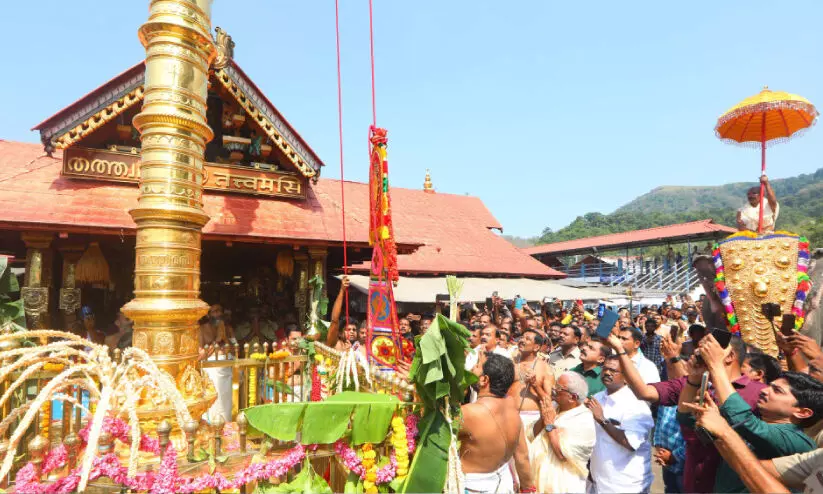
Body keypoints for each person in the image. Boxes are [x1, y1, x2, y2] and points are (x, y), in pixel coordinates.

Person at [681, 334, 820, 493]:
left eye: (777, 391)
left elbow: (746, 423)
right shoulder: (757, 419)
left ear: (803, 412)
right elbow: (685, 419)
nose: (765, 390)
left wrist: (715, 365)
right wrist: (694, 380)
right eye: (770, 386)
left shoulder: (799, 442)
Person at [460, 353, 535, 493]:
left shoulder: (468, 413)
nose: (472, 369)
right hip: (503, 485)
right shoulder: (511, 404)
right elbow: (522, 456)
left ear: (484, 380)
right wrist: (527, 489)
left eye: (476, 366)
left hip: (472, 489)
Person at [586, 355, 655, 493]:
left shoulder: (636, 404)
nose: (606, 373)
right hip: (598, 480)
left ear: (627, 377)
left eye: (613, 371)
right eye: (604, 368)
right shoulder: (598, 398)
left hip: (625, 484)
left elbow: (630, 443)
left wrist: (602, 420)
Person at [528, 373, 595, 493]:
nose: (553, 389)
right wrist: (544, 419)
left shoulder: (584, 420)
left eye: (559, 388)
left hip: (561, 485)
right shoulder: (555, 406)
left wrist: (549, 425)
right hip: (535, 479)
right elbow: (532, 434)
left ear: (572, 397)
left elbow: (561, 454)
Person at [509, 329, 554, 432]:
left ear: (536, 347)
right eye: (522, 337)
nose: (522, 340)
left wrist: (535, 385)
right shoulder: (510, 363)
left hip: (530, 418)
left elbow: (548, 400)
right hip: (508, 414)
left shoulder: (545, 368)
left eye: (527, 339)